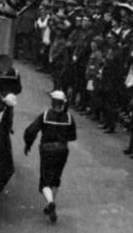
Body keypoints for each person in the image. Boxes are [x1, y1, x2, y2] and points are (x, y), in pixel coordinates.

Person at [23, 90, 78, 224]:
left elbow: (30, 131)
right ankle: (49, 205)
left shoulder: (45, 115)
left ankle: (51, 202)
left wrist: (28, 144)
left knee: (44, 182)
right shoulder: (69, 117)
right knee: (56, 178)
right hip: (62, 150)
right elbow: (73, 136)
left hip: (47, 150)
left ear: (52, 102)